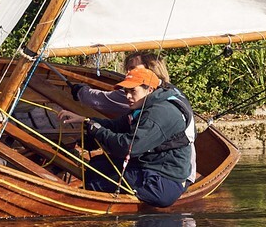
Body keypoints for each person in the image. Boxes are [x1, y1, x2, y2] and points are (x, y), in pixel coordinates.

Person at [58, 67, 193, 208]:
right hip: (149, 165)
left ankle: (87, 213)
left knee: (96, 179)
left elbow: (127, 147)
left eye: (133, 91)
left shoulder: (159, 114)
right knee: (97, 164)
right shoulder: (144, 105)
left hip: (163, 181)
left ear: (150, 90)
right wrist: (86, 120)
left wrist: (97, 130)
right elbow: (116, 125)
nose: (128, 96)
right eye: (126, 91)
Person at [70, 52, 197, 182]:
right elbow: (119, 125)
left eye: (132, 68)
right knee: (100, 162)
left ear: (150, 70)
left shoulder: (142, 95)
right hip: (168, 162)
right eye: (127, 69)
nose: (128, 73)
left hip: (169, 171)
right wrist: (88, 122)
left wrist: (80, 91)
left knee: (97, 171)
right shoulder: (169, 91)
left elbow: (102, 101)